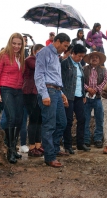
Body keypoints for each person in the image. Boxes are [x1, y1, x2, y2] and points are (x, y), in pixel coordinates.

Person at [35, 33, 70, 168]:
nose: (65, 49)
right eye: (64, 46)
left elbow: (55, 76)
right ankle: (49, 156)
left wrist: (61, 93)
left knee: (62, 122)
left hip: (56, 91)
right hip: (48, 91)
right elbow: (39, 75)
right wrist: (44, 94)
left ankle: (54, 149)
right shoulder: (44, 53)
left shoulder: (56, 56)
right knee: (49, 125)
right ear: (57, 42)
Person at [0, 33, 25, 164]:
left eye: (19, 44)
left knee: (19, 119)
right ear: (10, 42)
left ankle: (14, 148)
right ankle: (10, 150)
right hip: (6, 89)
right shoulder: (3, 55)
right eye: (14, 43)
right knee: (10, 117)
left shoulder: (21, 57)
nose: (16, 46)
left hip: (18, 90)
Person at [61, 44, 90, 154]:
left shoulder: (79, 65)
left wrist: (83, 95)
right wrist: (62, 95)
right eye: (79, 56)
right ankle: (67, 145)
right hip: (68, 96)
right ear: (73, 53)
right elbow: (61, 80)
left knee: (82, 119)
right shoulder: (65, 63)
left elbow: (81, 81)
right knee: (68, 121)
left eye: (82, 56)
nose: (80, 58)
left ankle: (80, 143)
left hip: (79, 96)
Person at [83, 51, 107, 148]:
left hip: (97, 97)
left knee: (99, 118)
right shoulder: (84, 69)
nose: (94, 58)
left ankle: (98, 139)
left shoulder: (103, 70)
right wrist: (88, 88)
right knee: (85, 119)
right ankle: (86, 140)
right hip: (86, 97)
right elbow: (80, 80)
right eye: (92, 57)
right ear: (89, 60)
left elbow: (105, 81)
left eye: (96, 57)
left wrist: (96, 89)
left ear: (99, 60)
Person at [23, 44, 45, 157]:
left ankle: (38, 145)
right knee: (33, 119)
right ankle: (32, 146)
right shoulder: (30, 60)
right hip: (30, 92)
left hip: (39, 92)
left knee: (39, 120)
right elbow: (37, 67)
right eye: (40, 51)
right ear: (34, 51)